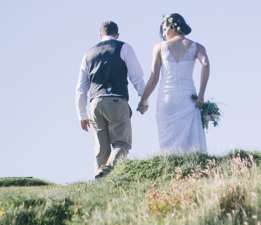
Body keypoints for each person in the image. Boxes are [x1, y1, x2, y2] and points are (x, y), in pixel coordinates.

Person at [75, 21, 146, 178]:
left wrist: (82, 114)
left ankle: (101, 183)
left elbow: (81, 88)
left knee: (101, 149)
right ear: (117, 35)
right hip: (116, 101)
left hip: (95, 104)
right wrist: (144, 100)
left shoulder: (88, 54)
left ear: (100, 35)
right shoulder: (124, 47)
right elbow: (137, 77)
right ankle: (107, 171)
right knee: (123, 143)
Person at [138, 13, 210, 153]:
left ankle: (171, 169)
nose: (163, 34)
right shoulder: (197, 47)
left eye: (164, 29)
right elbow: (206, 64)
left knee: (168, 144)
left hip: (167, 98)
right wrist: (201, 94)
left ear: (173, 27)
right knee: (191, 142)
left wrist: (143, 101)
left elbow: (154, 79)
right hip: (188, 98)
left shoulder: (159, 47)